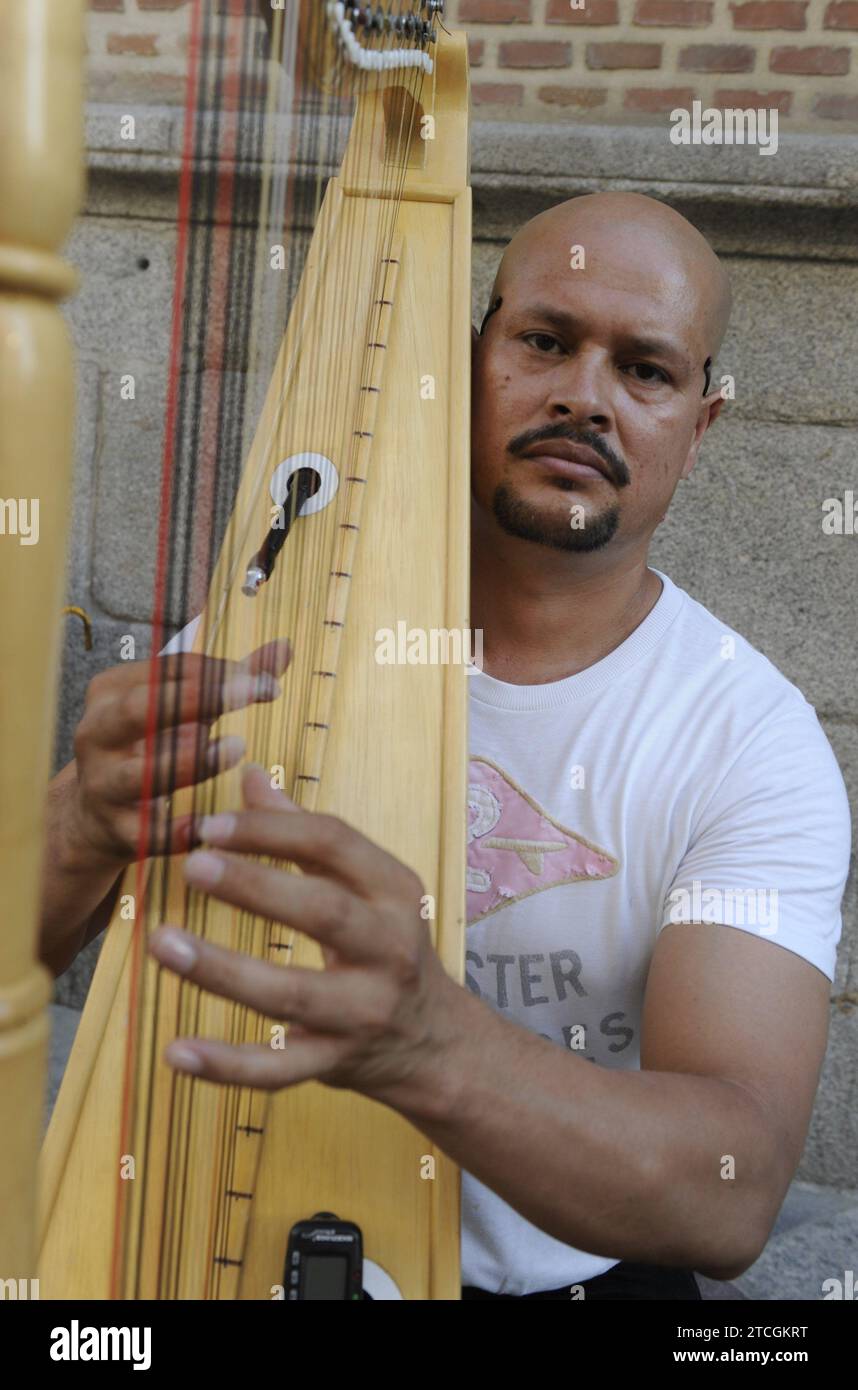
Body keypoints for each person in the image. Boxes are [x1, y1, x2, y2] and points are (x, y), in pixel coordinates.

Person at [39, 192, 851, 1300]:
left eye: (646, 370)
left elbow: (732, 1185)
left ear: (698, 429)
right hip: (232, 1244)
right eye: (545, 342)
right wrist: (85, 821)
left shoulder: (748, 737)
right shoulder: (273, 637)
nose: (583, 394)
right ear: (466, 362)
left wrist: (431, 1041)